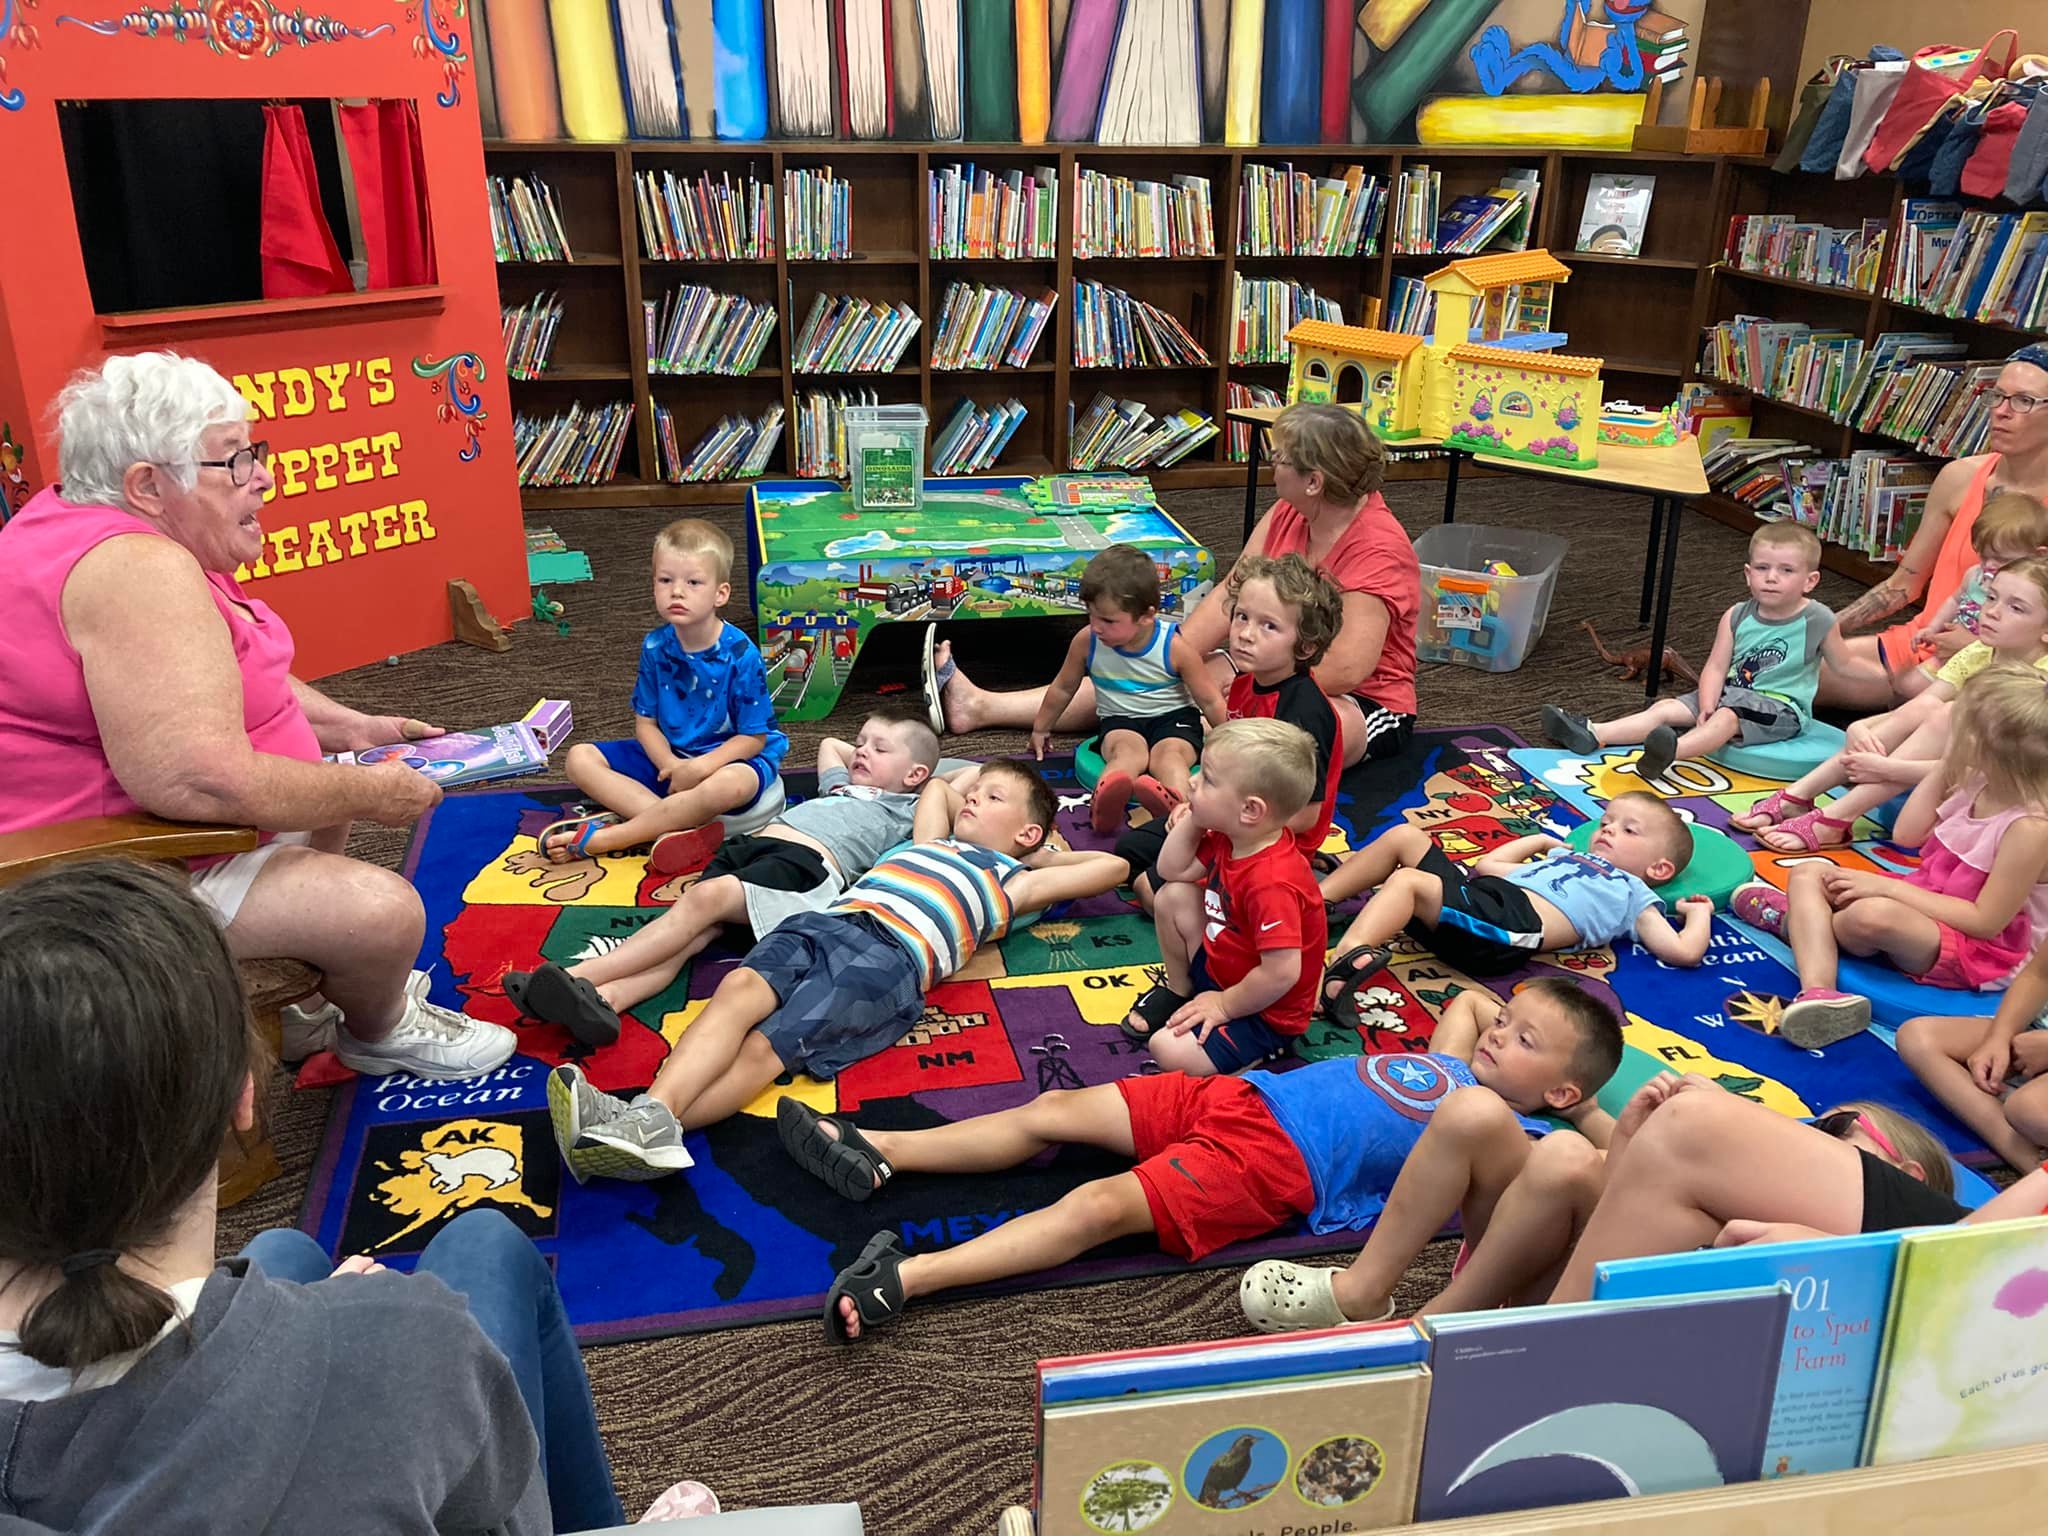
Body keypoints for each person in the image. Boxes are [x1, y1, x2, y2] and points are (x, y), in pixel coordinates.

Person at [0, 859, 624, 1534]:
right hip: (374, 1375)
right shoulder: (411, 1338)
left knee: (282, 1250)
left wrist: (325, 1326)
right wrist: (358, 1329)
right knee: (487, 1242)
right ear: (243, 1094)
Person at [0, 351, 510, 1081]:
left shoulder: (85, 518)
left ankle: (304, 1007)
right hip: (114, 871)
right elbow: (198, 785)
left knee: (327, 776)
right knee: (387, 912)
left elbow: (219, 675)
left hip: (164, 839)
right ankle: (380, 1027)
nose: (264, 476)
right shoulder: (137, 573)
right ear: (147, 485)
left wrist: (351, 728)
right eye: (234, 461)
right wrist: (376, 793)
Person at [776, 974, 1621, 1342]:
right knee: (1056, 1109)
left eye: (1526, 1044)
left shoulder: (1526, 1139)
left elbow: (1594, 1166)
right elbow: (1472, 1006)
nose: (1500, 1037)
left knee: (1098, 1207)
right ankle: (881, 1148)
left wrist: (1586, 1109)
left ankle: (909, 1279)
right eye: (1509, 1026)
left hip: (1281, 1165)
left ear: (1559, 1093)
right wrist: (1514, 1035)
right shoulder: (1460, 1060)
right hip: (1250, 1096)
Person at [545, 761, 1128, 1179]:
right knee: (738, 989)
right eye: (979, 792)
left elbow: (1111, 866)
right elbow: (941, 791)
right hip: (829, 922)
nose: (973, 799)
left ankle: (646, 1127)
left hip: (889, 960)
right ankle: (649, 1117)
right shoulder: (928, 841)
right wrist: (977, 791)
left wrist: (1037, 849)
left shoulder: (1014, 880)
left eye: (993, 798)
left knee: (765, 1049)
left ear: (1027, 833)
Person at [929, 403, 1420, 770]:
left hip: (1361, 700)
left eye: (1282, 459)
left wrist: (1246, 687)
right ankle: (980, 706)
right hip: (1261, 662)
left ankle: (1177, 772)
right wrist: (1169, 656)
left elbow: (1347, 668)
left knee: (1294, 735)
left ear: (1313, 481)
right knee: (1141, 671)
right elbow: (1234, 589)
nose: (1273, 464)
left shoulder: (1376, 546)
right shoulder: (1291, 511)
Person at [1269, 1078, 1970, 1326]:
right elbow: (1629, 1209)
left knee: (1566, 1153)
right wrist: (1635, 1132)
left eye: (1834, 1136)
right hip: (1541, 1281)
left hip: (1563, 1307)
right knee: (1477, 1113)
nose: (1808, 1142)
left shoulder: (1854, 1258)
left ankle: (1426, 1333)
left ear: (1902, 1174)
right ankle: (1369, 1295)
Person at [507, 707, 952, 1047]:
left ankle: (576, 976)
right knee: (689, 937)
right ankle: (607, 1001)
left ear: (916, 775)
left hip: (804, 869)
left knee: (700, 905)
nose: (861, 752)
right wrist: (873, 748)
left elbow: (960, 783)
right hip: (752, 852)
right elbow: (829, 745)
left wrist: (931, 781)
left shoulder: (906, 810)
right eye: (863, 743)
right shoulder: (841, 786)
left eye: (879, 749)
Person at [1731, 663, 2048, 1048]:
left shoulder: (2030, 829)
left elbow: (1984, 922)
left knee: (1868, 916)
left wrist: (1884, 889)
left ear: (1989, 749)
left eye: (1960, 730)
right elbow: (1908, 834)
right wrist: (1947, 768)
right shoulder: (1978, 780)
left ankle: (1791, 921)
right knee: (1809, 873)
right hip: (1927, 904)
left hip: (1984, 950)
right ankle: (1820, 993)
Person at [1545, 1076, 2048, 1306]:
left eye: (1838, 1130)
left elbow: (1966, 1265)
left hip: (1970, 1276)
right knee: (1688, 1151)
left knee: (1692, 1126)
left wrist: (1843, 1256)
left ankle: (1534, 1352)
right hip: (1974, 1253)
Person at [1738, 555, 2048, 851]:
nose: (1991, 611)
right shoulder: (1980, 652)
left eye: (2016, 608)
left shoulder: (2039, 683)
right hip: (1952, 765)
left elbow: (1989, 768)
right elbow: (1919, 707)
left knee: (1950, 713)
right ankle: (1800, 795)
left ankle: (1837, 816)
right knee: (1933, 708)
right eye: (1991, 597)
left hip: (2010, 785)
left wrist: (1890, 768)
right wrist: (1862, 727)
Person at [541, 517, 789, 875]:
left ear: (720, 593)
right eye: (665, 580)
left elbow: (754, 738)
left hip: (731, 760)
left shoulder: (740, 653)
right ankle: (674, 829)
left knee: (730, 785)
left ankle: (619, 836)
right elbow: (646, 723)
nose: (677, 591)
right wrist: (670, 766)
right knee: (579, 758)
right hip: (671, 757)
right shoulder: (656, 646)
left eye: (693, 582)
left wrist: (700, 768)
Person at [1317, 791, 1714, 1012]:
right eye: (1607, 822)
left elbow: (1683, 951)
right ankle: (1315, 901)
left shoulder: (1633, 894)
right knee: (1404, 836)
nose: (1607, 830)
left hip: (1504, 933)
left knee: (1407, 882)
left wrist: (1699, 914)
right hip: (1484, 901)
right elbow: (1489, 865)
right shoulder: (1566, 856)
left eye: (1629, 830)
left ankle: (1348, 960)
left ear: (1660, 869)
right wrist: (1539, 842)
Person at [1541, 522, 1871, 784]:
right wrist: (1708, 705)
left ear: (1809, 580)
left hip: (1780, 708)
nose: (1771, 578)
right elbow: (1715, 667)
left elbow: (1845, 664)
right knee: (1667, 707)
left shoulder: (1817, 619)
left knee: (1727, 719)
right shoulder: (1738, 614)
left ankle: (1672, 752)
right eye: (1762, 568)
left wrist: (1889, 671)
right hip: (1730, 692)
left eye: (1786, 570)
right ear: (1747, 573)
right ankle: (1595, 733)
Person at [1818, 345, 2048, 711]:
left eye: (2023, 401)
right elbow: (1903, 584)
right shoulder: (1961, 476)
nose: (2000, 412)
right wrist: (1817, 628)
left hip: (2010, 669)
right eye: (1997, 396)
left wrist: (1985, 647)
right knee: (1783, 666)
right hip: (1926, 640)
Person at [1113, 554, 1346, 914]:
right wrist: (1197, 810)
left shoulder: (1304, 713)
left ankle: (1290, 894)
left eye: (1269, 626)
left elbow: (1305, 815)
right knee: (1130, 851)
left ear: (1305, 646)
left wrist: (1210, 819)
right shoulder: (1245, 683)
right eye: (1242, 616)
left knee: (1150, 888)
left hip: (1267, 839)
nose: (1246, 634)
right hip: (1228, 820)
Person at [1117, 719, 1327, 1076]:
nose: (1193, 780)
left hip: (1266, 1010)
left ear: (1250, 810)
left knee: (1166, 1049)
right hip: (1224, 968)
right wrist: (1195, 820)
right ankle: (1181, 989)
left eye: (1208, 779)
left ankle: (1264, 1053)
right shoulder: (1232, 837)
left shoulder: (1272, 881)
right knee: (1173, 896)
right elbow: (1172, 871)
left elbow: (1281, 974)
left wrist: (1225, 1007)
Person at [1029, 543, 1228, 832]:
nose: (1096, 626)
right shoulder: (1087, 642)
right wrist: (1041, 728)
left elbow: (1209, 700)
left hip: (1174, 722)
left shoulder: (1174, 647)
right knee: (1126, 754)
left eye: (1108, 620)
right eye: (1091, 615)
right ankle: (1105, 803)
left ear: (1147, 616)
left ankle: (1182, 810)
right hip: (1121, 721)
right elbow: (1063, 687)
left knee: (1169, 757)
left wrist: (1232, 744)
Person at [1900, 933, 2048, 1174]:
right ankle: (2029, 1161)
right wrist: (1998, 1038)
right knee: (1918, 1038)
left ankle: (2037, 1170)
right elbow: (2038, 975)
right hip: (2038, 1031)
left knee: (2027, 1109)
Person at [1893, 491, 2048, 698]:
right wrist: (1933, 627)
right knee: (1906, 684)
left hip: (1997, 662)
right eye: (1984, 556)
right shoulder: (1976, 575)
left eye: (2002, 559)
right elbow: (1954, 600)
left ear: (2039, 555)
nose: (1990, 565)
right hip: (1960, 655)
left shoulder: (2036, 593)